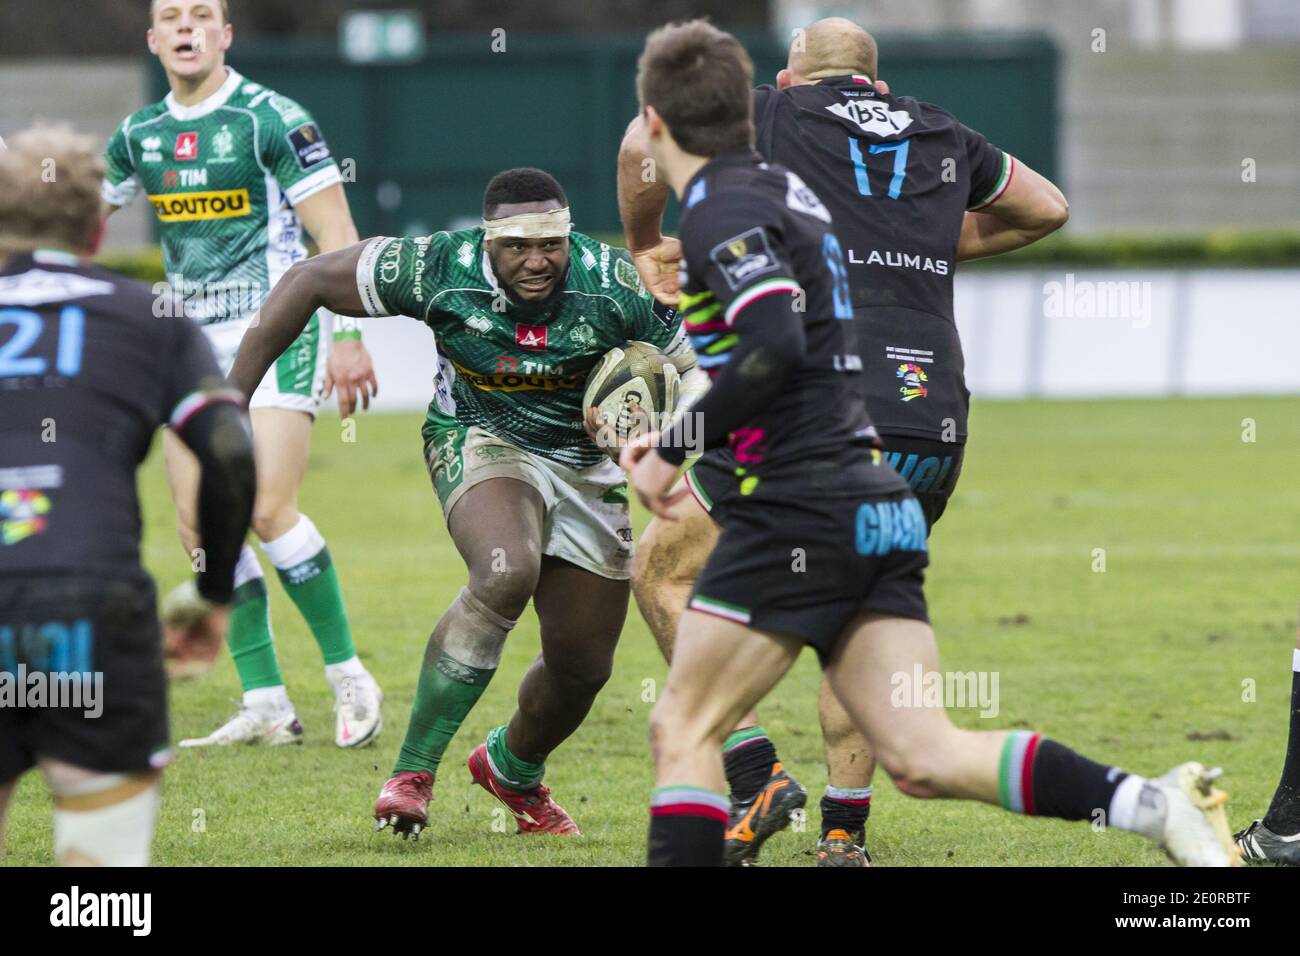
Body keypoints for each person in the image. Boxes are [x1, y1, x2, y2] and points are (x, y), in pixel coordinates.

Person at [621, 18, 1237, 869]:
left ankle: (759, 781)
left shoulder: (740, 198)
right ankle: (1154, 805)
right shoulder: (821, 190)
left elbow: (771, 344)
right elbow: (1041, 208)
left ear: (658, 122)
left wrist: (671, 442)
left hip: (806, 477)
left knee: (683, 716)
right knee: (924, 751)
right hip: (896, 469)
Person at [227, 167, 706, 839]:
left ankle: (512, 768)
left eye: (551, 244)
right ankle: (411, 776)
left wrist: (666, 441)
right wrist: (231, 395)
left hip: (587, 468)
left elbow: (696, 379)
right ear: (488, 242)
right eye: (517, 246)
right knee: (507, 568)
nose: (537, 261)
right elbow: (308, 280)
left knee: (583, 667)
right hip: (480, 438)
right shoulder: (434, 268)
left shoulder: (616, 284)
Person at [100, 0, 383, 749]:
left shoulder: (272, 118)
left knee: (263, 507)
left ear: (225, 35)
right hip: (186, 346)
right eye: (172, 16)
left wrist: (348, 334)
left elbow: (336, 234)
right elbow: (77, 219)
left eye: (202, 15)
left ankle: (348, 672)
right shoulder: (138, 135)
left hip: (274, 327)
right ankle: (266, 703)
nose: (187, 26)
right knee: (200, 528)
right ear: (154, 38)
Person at [0, 124, 254, 865]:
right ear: (100, 225)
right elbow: (231, 450)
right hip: (92, 605)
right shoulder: (152, 316)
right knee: (100, 892)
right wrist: (211, 591)